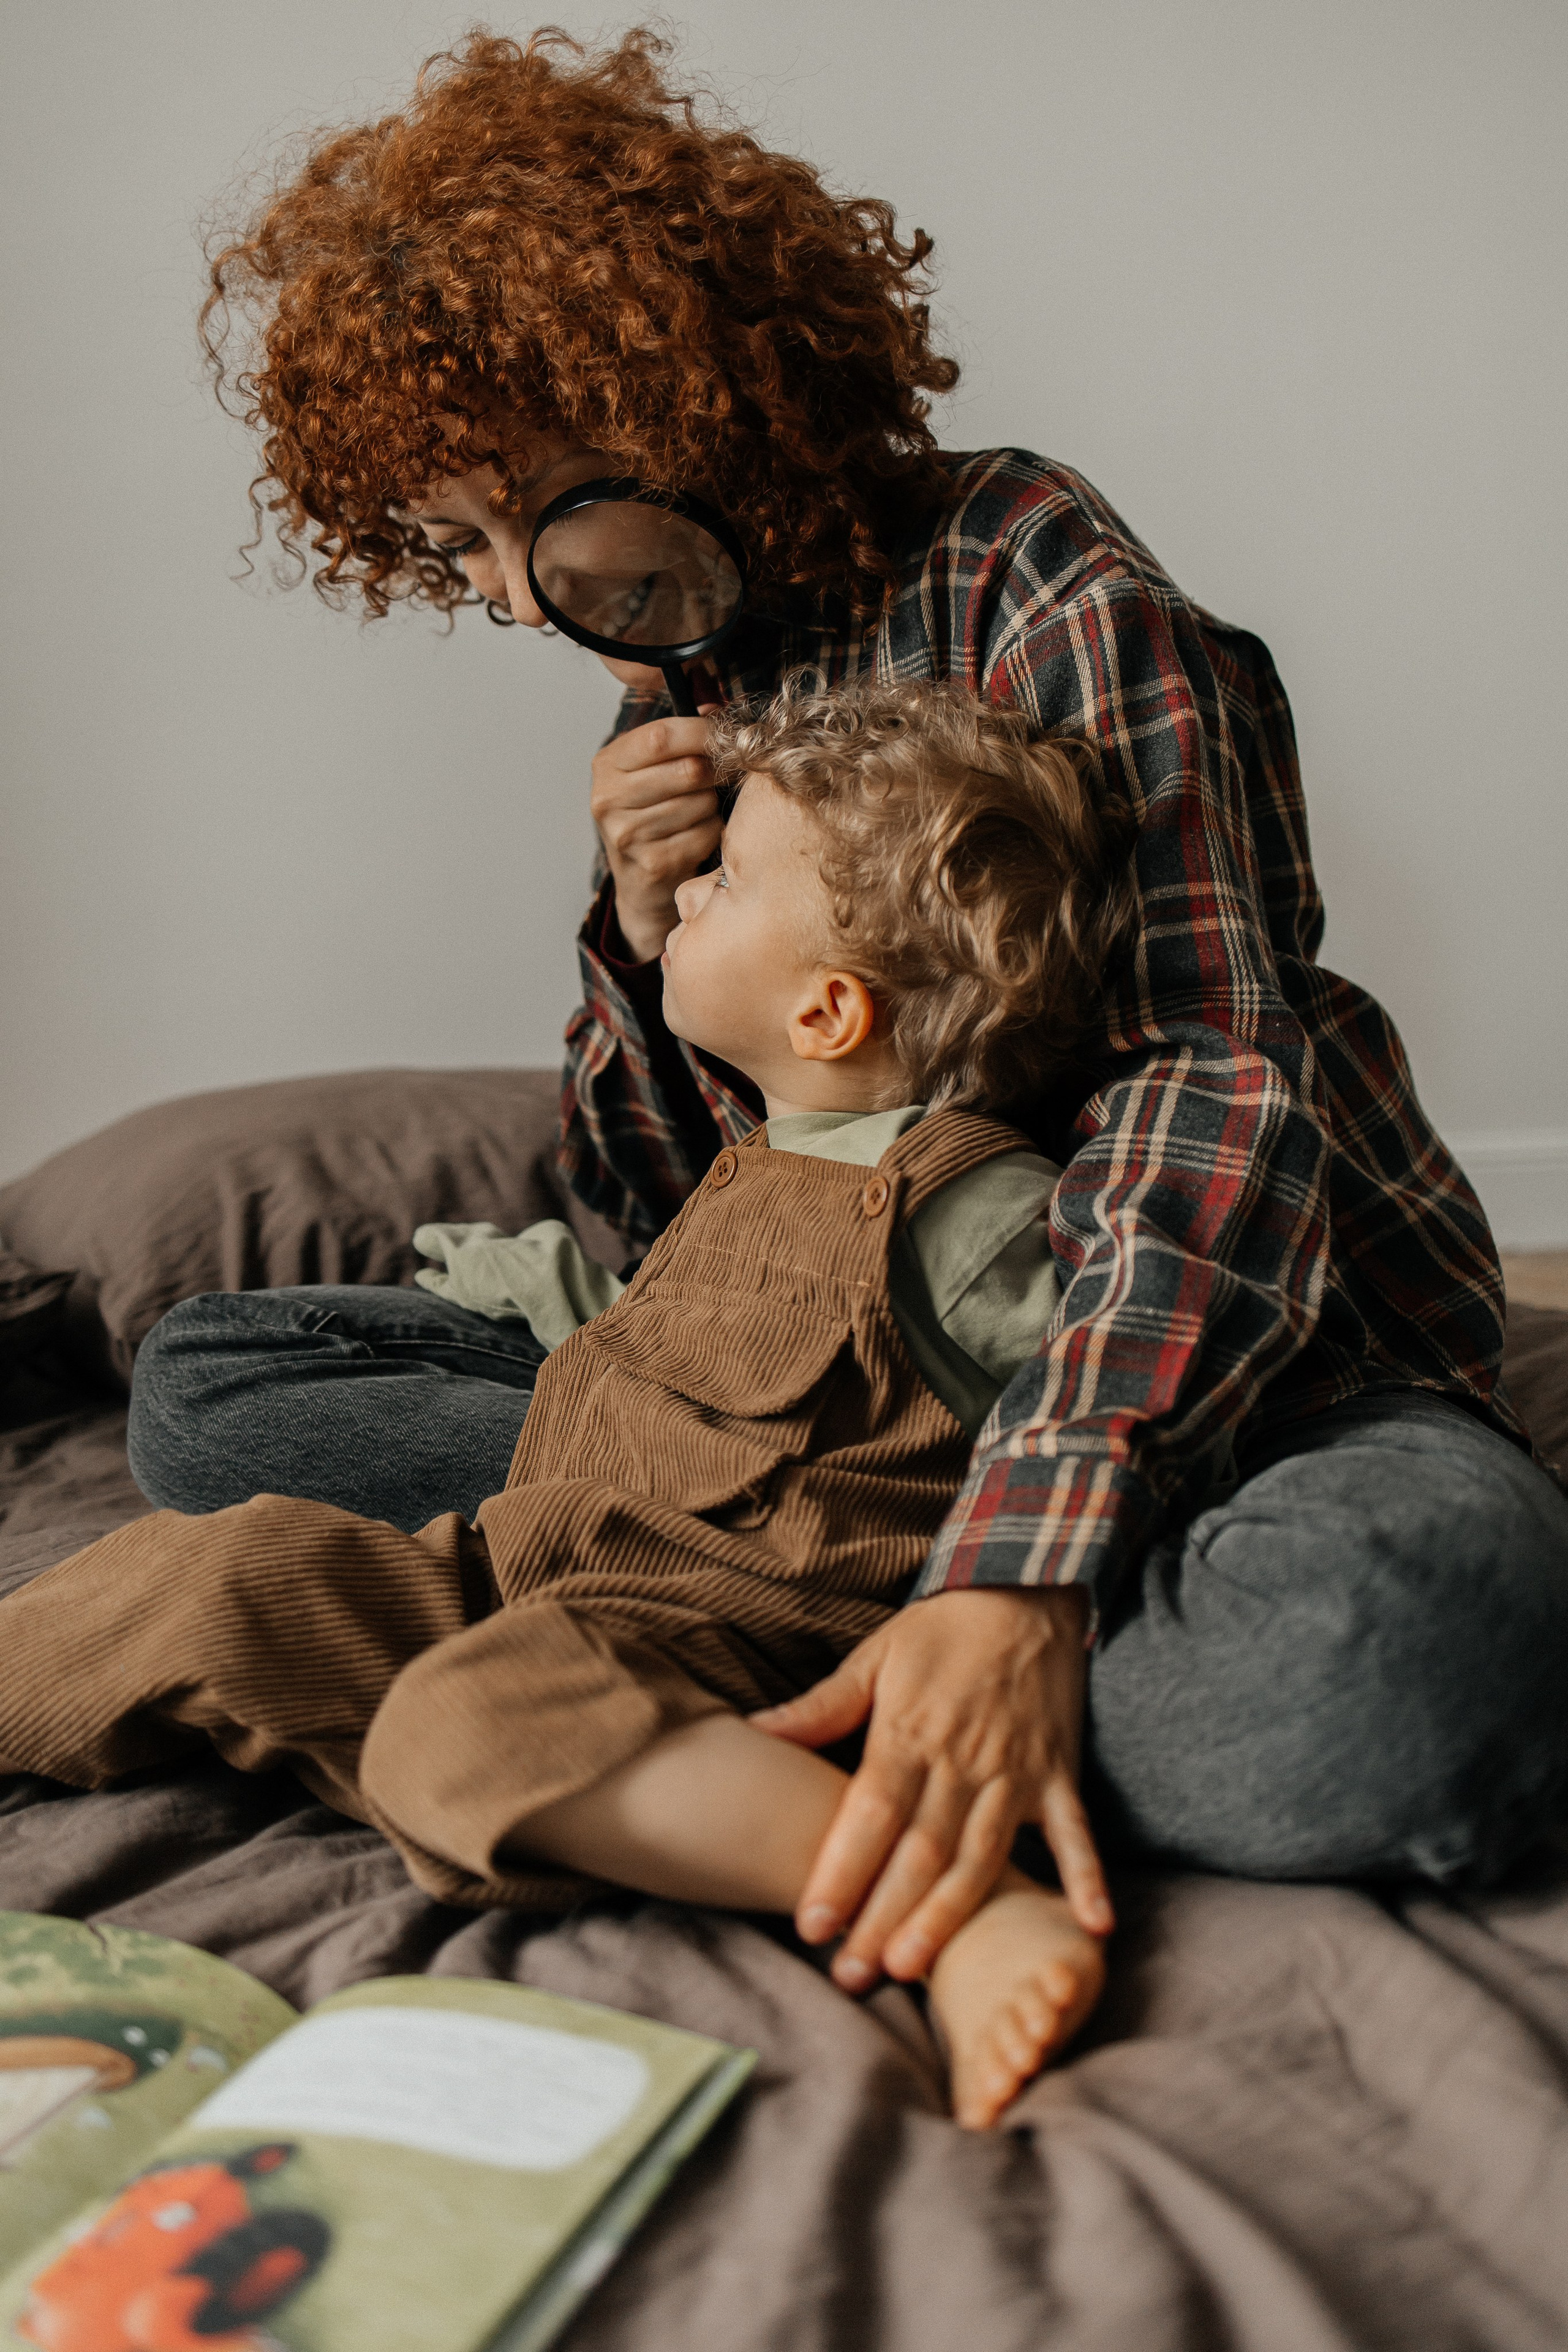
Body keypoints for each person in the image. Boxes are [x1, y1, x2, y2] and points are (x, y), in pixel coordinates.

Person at [122, 30, 1568, 1988]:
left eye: (542, 515)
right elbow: (666, 1217)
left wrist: (1024, 1563)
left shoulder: (1046, 584)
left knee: (1403, 1654)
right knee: (211, 1387)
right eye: (460, 551)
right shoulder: (674, 676)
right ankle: (842, 1633)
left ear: (692, 405)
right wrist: (644, 935)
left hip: (1197, 1380)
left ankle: (797, 1671)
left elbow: (1207, 1077)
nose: (524, 600)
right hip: (805, 1431)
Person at [1, 680, 1140, 2130]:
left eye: (726, 880)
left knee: (456, 1724)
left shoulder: (970, 1208)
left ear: (827, 1008)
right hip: (522, 1565)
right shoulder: (761, 1159)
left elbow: (1110, 1399)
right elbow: (666, 1347)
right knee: (229, 1570)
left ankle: (954, 1905)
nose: (687, 892)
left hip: (725, 1635)